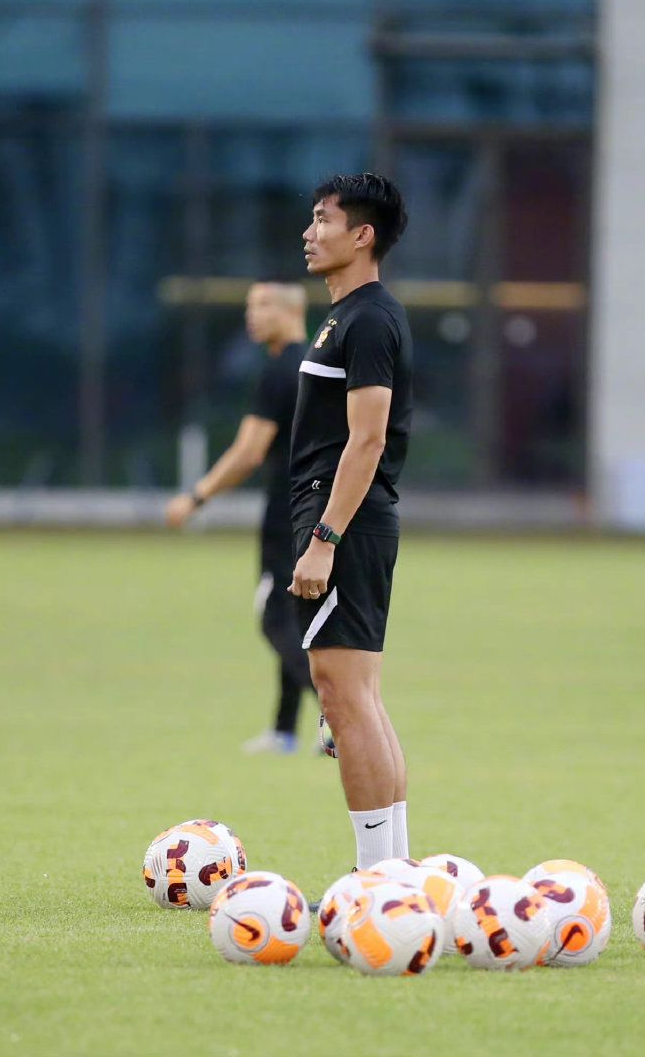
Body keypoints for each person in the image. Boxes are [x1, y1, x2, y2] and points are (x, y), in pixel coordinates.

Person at [287, 173, 414, 870]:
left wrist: (324, 539)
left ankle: (375, 883)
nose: (309, 233)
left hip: (348, 520)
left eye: (322, 220)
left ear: (362, 235)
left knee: (343, 695)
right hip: (349, 517)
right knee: (356, 696)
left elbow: (368, 439)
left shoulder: (367, 318)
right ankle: (396, 874)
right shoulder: (348, 316)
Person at [165, 282, 316, 755]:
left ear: (293, 310)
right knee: (301, 616)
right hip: (324, 507)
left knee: (275, 618)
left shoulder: (278, 372)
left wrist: (197, 496)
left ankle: (335, 715)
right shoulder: (319, 365)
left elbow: (249, 452)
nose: (252, 315)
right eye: (250, 306)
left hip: (287, 511)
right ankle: (285, 729)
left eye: (263, 305)